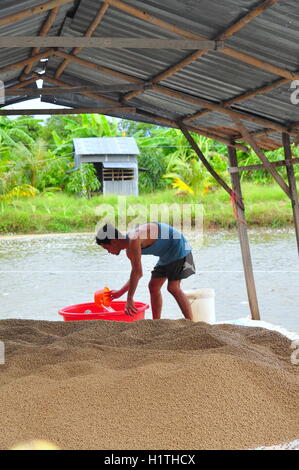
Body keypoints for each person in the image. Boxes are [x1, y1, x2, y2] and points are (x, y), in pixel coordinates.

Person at [96, 222, 195, 320]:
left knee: (173, 287)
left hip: (178, 247)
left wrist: (130, 299)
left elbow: (137, 273)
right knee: (153, 286)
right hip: (166, 255)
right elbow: (137, 273)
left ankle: (191, 322)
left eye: (106, 248)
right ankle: (156, 322)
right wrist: (120, 292)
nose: (108, 252)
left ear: (113, 241)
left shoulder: (134, 239)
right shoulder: (129, 251)